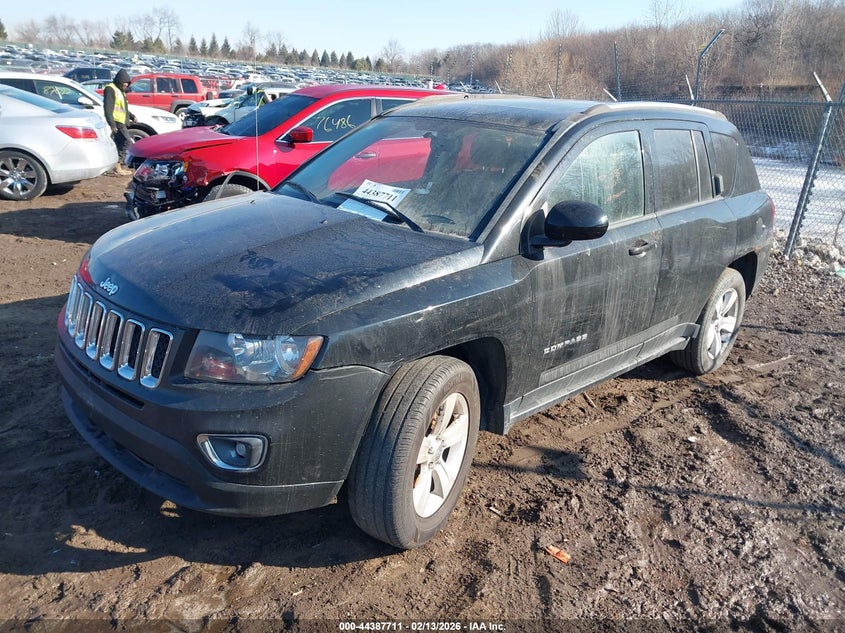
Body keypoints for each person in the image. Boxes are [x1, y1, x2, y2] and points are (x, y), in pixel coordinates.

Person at [103, 69, 134, 176]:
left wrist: (132, 116)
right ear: (120, 81)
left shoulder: (120, 91)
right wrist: (112, 124)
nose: (126, 86)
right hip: (117, 122)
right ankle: (117, 165)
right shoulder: (111, 89)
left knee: (118, 144)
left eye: (127, 84)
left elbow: (123, 108)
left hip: (121, 121)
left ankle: (116, 166)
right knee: (126, 142)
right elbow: (108, 108)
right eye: (125, 84)